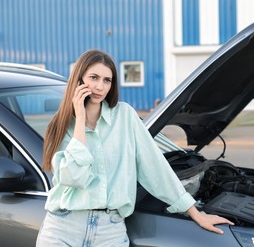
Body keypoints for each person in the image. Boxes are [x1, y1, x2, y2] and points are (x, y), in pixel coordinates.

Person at [36, 49, 233, 246]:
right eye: (93, 77)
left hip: (109, 232)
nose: (100, 86)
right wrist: (80, 119)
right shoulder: (60, 126)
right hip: (62, 229)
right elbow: (74, 177)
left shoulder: (125, 116)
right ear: (79, 80)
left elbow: (154, 167)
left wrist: (195, 213)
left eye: (107, 80)